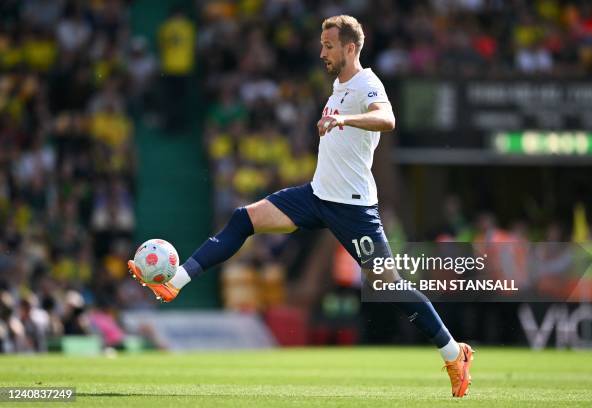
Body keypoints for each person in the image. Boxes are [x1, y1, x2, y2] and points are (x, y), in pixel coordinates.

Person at [128, 15, 474, 397]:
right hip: (316, 196)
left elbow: (387, 119)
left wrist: (346, 119)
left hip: (353, 208)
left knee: (388, 286)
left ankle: (453, 351)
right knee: (244, 218)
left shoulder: (367, 83)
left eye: (328, 45)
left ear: (350, 48)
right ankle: (174, 283)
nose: (321, 51)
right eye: (322, 44)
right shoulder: (337, 86)